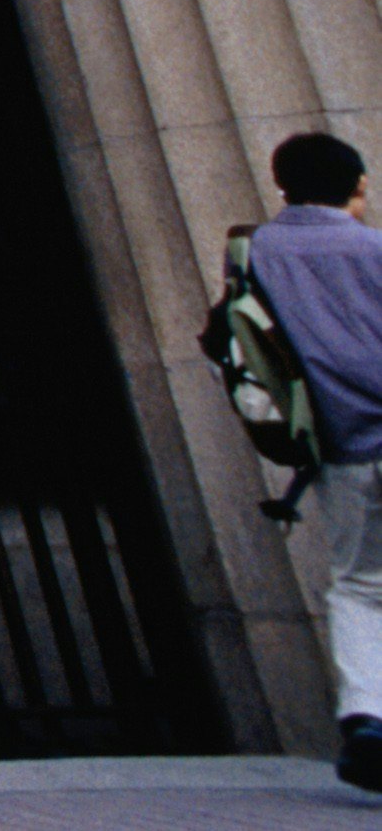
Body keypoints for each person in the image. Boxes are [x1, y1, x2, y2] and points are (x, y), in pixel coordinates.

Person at [244, 129, 382, 789]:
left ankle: (366, 717)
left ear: (283, 187)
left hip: (339, 447)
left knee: (359, 584)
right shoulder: (373, 248)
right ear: (357, 184)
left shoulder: (259, 254)